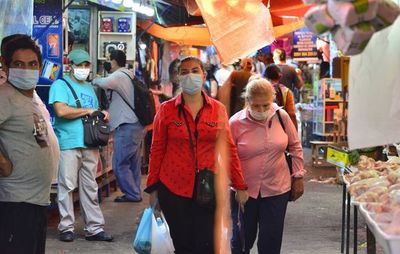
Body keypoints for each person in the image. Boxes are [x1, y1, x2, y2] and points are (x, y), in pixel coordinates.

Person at [145, 56, 249, 254]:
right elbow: (156, 149)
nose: (190, 75)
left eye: (194, 70)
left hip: (208, 189)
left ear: (203, 75)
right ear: (178, 77)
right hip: (173, 189)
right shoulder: (166, 111)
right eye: (184, 72)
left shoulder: (217, 109)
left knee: (207, 245)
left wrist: (240, 185)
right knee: (183, 246)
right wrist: (153, 188)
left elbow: (229, 150)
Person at [229, 78, 304, 254]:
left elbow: (295, 146)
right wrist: (236, 185)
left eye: (266, 105)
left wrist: (298, 176)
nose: (262, 110)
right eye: (256, 106)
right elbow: (227, 158)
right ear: (247, 101)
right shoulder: (235, 123)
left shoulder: (281, 116)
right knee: (241, 240)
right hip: (243, 191)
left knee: (271, 242)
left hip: (277, 190)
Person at [0, 34, 60, 254]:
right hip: (15, 203)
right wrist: (3, 163)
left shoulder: (30, 96)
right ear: (5, 65)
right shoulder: (4, 96)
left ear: (40, 66)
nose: (26, 69)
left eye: (32, 64)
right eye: (19, 64)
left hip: (36, 202)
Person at [49, 49, 113, 242]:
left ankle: (94, 228)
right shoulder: (60, 84)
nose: (83, 68)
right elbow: (61, 110)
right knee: (67, 186)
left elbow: (91, 112)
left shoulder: (89, 88)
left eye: (86, 65)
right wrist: (88, 110)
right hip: (69, 142)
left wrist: (101, 113)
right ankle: (66, 227)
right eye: (79, 65)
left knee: (90, 186)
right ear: (71, 66)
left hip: (89, 143)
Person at [93, 49, 145, 202]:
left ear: (114, 61)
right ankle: (135, 192)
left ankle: (133, 194)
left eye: (109, 60)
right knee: (132, 163)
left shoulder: (119, 76)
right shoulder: (129, 74)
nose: (108, 63)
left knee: (119, 162)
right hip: (135, 125)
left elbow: (102, 83)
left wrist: (95, 79)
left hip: (127, 125)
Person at [264, 64, 298, 129]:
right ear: (280, 76)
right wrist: (295, 133)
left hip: (263, 129)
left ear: (265, 77)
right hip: (280, 129)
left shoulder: (260, 89)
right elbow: (291, 114)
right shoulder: (286, 92)